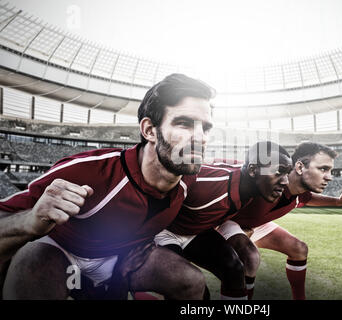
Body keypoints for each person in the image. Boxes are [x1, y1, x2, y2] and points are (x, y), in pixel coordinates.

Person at [0, 73, 216, 299]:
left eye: (206, 128)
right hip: (62, 253)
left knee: (191, 281)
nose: (200, 138)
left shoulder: (189, 179)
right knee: (31, 263)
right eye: (184, 123)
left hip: (121, 258)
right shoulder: (89, 171)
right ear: (149, 130)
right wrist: (29, 221)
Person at [216, 142, 342, 300]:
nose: (329, 177)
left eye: (330, 170)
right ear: (299, 167)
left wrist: (338, 202)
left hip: (251, 223)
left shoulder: (299, 192)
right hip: (223, 219)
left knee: (299, 249)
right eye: (323, 169)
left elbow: (307, 199)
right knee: (249, 256)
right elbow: (232, 170)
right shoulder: (264, 179)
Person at [153, 141, 292, 300]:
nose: (285, 181)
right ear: (253, 170)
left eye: (287, 173)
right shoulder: (205, 182)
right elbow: (157, 190)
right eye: (279, 171)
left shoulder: (251, 188)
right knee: (191, 289)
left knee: (234, 269)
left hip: (195, 231)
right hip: (162, 231)